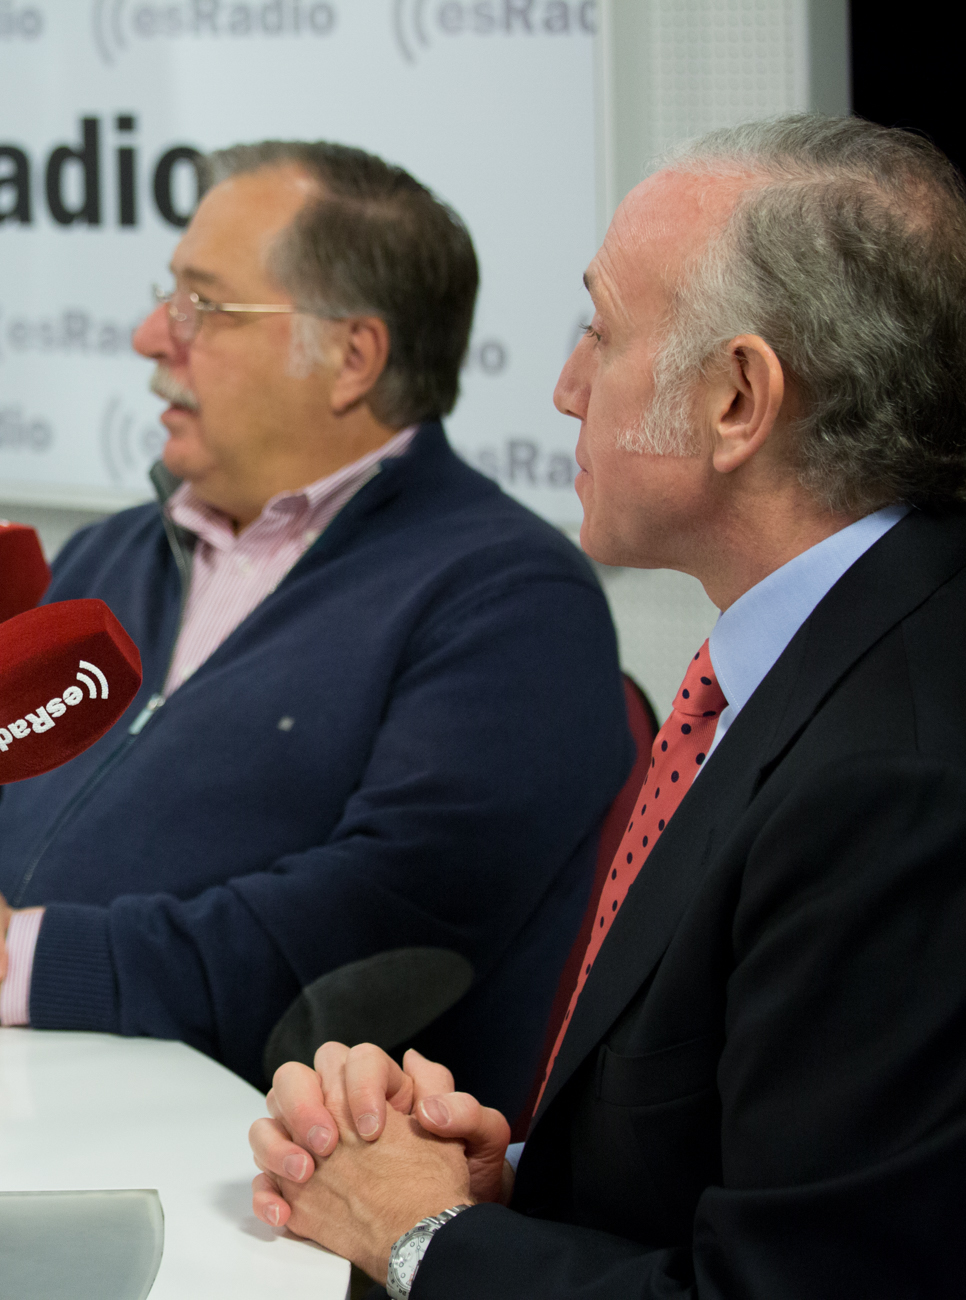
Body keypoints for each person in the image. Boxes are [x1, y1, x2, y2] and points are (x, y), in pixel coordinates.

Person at [247, 114, 966, 1299]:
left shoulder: (894, 782)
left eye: (603, 330)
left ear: (738, 399)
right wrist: (505, 1187)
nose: (567, 388)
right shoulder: (820, 660)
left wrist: (425, 1239)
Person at [0, 140, 633, 1109]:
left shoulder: (509, 601)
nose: (151, 335)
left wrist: (4, 964)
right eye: (166, 296)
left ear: (351, 358)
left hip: (240, 1156)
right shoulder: (114, 554)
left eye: (202, 306)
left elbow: (372, 922)